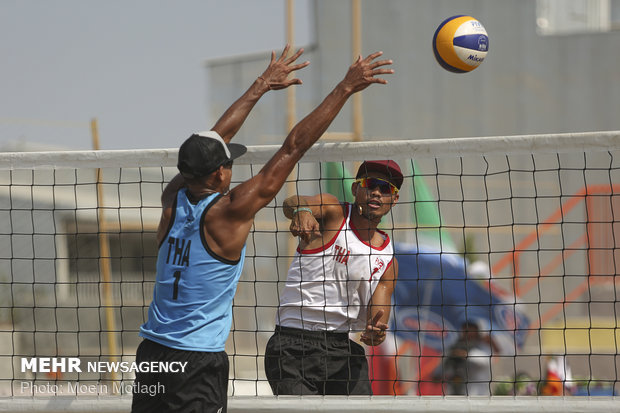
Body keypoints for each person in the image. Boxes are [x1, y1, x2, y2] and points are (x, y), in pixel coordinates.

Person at [131, 44, 394, 413]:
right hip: (195, 361)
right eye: (229, 163)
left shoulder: (172, 199)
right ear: (220, 173)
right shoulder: (229, 212)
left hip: (152, 355)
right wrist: (345, 88)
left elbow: (210, 140)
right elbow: (293, 147)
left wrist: (260, 85)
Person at [264, 159, 403, 395]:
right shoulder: (334, 212)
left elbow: (375, 323)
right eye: (370, 184)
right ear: (355, 189)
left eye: (386, 188)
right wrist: (302, 212)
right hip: (292, 342)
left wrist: (375, 333)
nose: (377, 192)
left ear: (394, 199)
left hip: (341, 348)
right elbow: (293, 201)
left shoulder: (388, 260)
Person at [442, 321, 498, 395]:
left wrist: (466, 354)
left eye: (471, 331)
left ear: (477, 332)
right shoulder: (456, 345)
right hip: (455, 389)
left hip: (478, 391)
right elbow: (445, 367)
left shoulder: (483, 346)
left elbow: (487, 361)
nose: (468, 334)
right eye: (465, 331)